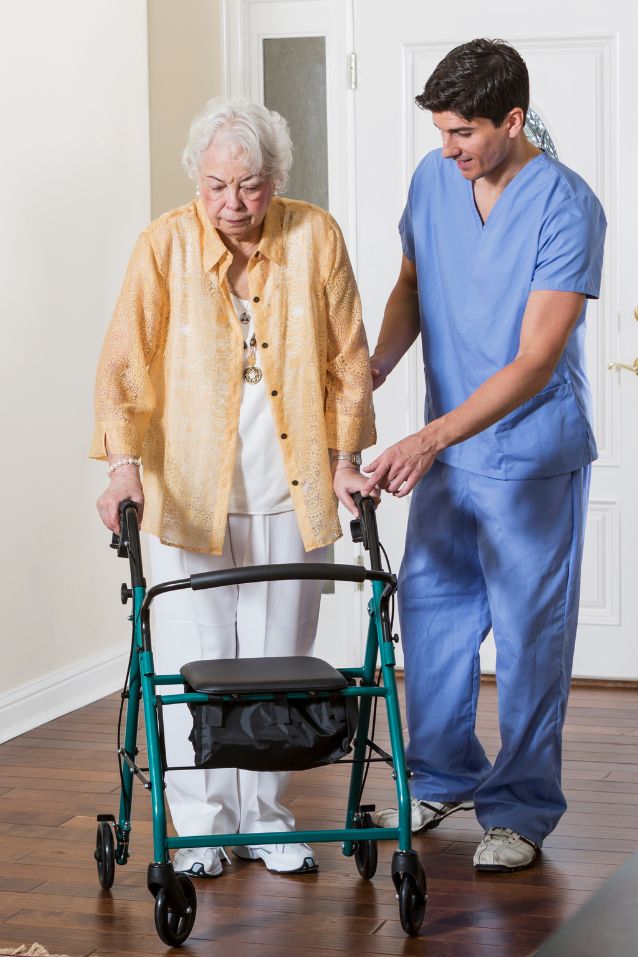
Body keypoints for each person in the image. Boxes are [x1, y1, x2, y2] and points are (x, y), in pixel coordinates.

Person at [91, 98, 376, 878]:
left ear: (275, 179)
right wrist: (122, 467)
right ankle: (204, 822)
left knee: (281, 662)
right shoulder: (164, 245)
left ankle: (269, 817)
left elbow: (349, 359)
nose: (232, 204)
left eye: (249, 185)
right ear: (197, 180)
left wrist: (346, 455)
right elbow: (121, 368)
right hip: (185, 492)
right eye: (216, 185)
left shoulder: (315, 236)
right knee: (196, 659)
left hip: (292, 489)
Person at [362, 39, 606, 872]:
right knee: (430, 615)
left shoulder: (567, 205)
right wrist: (376, 366)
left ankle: (522, 807)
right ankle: (442, 772)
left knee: (531, 637)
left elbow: (538, 356)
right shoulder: (436, 181)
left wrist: (427, 436)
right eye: (440, 131)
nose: (448, 149)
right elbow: (411, 285)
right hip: (449, 455)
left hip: (531, 457)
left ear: (511, 120)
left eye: (463, 132)